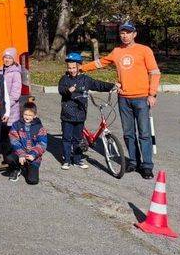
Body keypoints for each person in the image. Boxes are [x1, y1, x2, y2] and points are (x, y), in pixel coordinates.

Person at [82, 22, 161, 178]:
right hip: (123, 98)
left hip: (142, 98)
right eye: (122, 33)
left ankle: (146, 166)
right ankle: (133, 161)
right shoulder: (117, 51)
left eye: (128, 33)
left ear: (134, 34)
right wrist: (81, 68)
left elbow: (155, 72)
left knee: (144, 133)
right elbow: (101, 63)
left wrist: (152, 94)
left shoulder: (144, 50)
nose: (125, 36)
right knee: (128, 133)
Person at [58, 52, 118, 169]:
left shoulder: (86, 80)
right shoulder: (64, 79)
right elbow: (61, 90)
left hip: (80, 114)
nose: (71, 70)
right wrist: (68, 90)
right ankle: (67, 160)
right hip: (67, 114)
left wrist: (112, 86)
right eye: (69, 68)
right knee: (66, 137)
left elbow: (98, 85)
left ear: (79, 66)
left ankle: (78, 159)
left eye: (74, 67)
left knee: (78, 138)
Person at [7, 102, 47, 185]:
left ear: (35, 115)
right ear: (22, 114)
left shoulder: (40, 128)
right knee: (9, 157)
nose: (27, 117)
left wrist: (33, 154)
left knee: (32, 181)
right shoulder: (16, 125)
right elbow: (14, 140)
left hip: (33, 156)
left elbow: (42, 144)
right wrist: (21, 154)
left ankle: (25, 167)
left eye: (30, 115)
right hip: (20, 152)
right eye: (25, 114)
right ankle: (16, 169)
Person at [0, 47, 23, 129]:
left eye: (10, 58)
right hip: (2, 107)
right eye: (5, 57)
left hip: (11, 109)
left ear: (14, 59)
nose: (7, 60)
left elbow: (15, 93)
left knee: (10, 133)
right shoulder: (1, 71)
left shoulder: (16, 73)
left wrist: (6, 105)